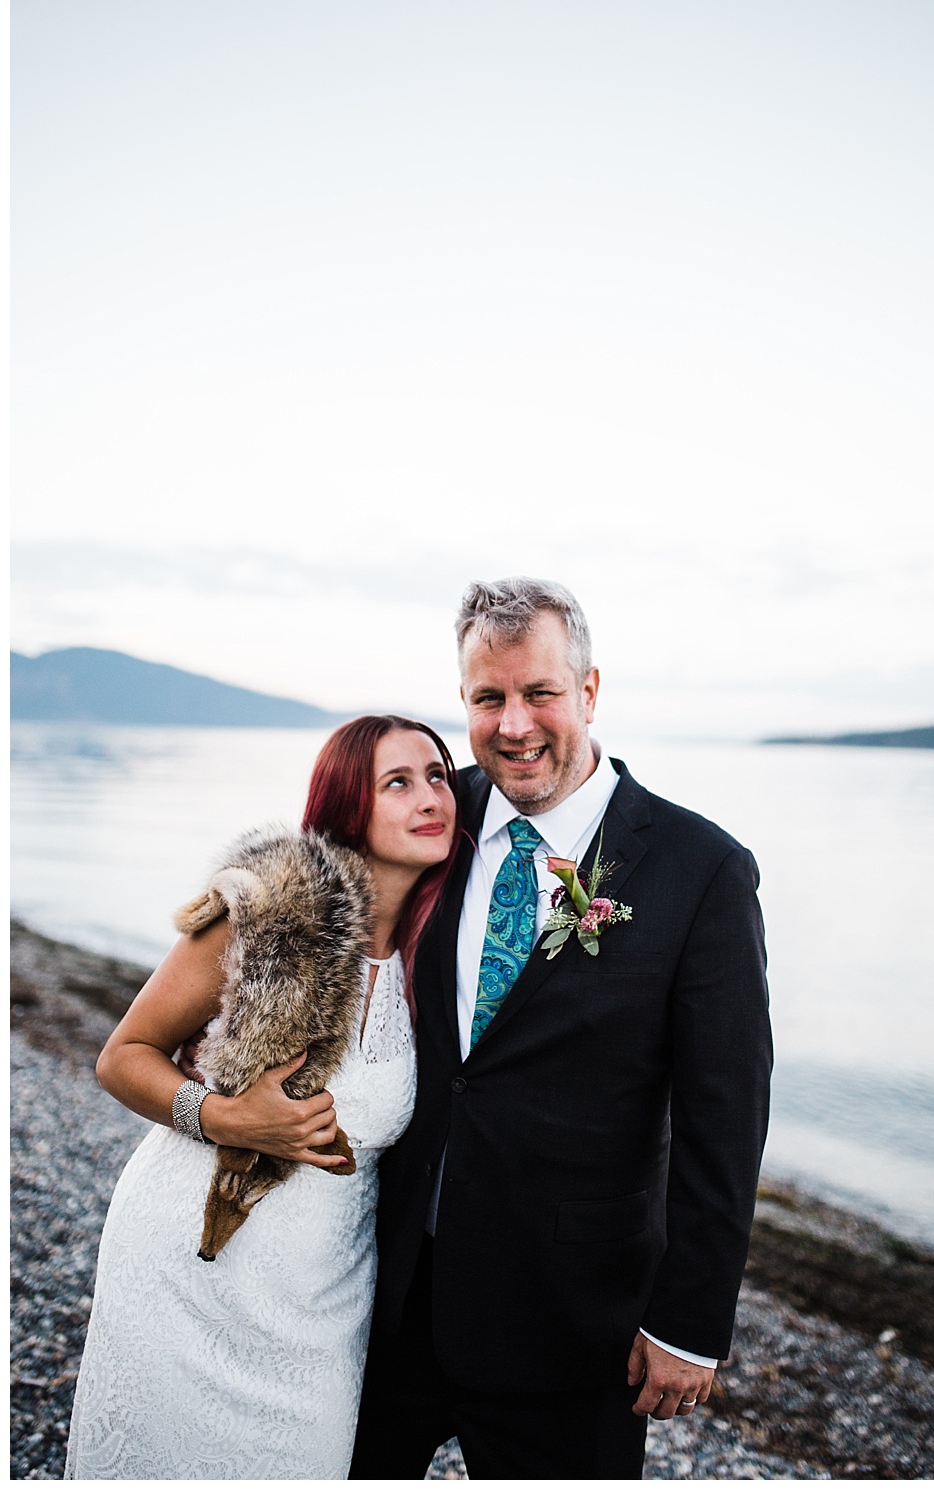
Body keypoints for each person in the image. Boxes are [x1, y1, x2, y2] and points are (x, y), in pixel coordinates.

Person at [347, 578, 773, 1480]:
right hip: (389, 1288)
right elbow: (320, 925)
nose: (514, 725)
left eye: (538, 692)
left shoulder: (701, 871)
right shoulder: (429, 815)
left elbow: (724, 1117)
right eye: (487, 698)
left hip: (575, 1320)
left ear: (587, 691)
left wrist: (690, 1323)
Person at [64, 714, 460, 1480]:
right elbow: (122, 1058)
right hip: (187, 1267)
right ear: (351, 805)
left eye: (439, 776)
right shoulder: (272, 920)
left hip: (324, 1300)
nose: (429, 796)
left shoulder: (441, 959)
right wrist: (223, 1116)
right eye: (398, 782)